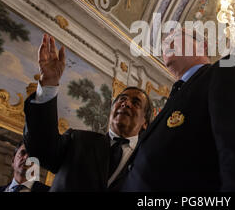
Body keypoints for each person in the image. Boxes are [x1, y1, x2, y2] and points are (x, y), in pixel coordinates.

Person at [121, 28, 235, 191]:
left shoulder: (225, 71)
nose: (167, 44)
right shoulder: (175, 98)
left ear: (203, 46)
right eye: (165, 43)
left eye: (176, 38)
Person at [23, 34, 153, 191]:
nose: (126, 103)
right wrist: (48, 84)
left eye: (135, 103)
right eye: (121, 99)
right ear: (111, 110)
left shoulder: (149, 163)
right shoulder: (77, 141)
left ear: (145, 122)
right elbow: (40, 150)